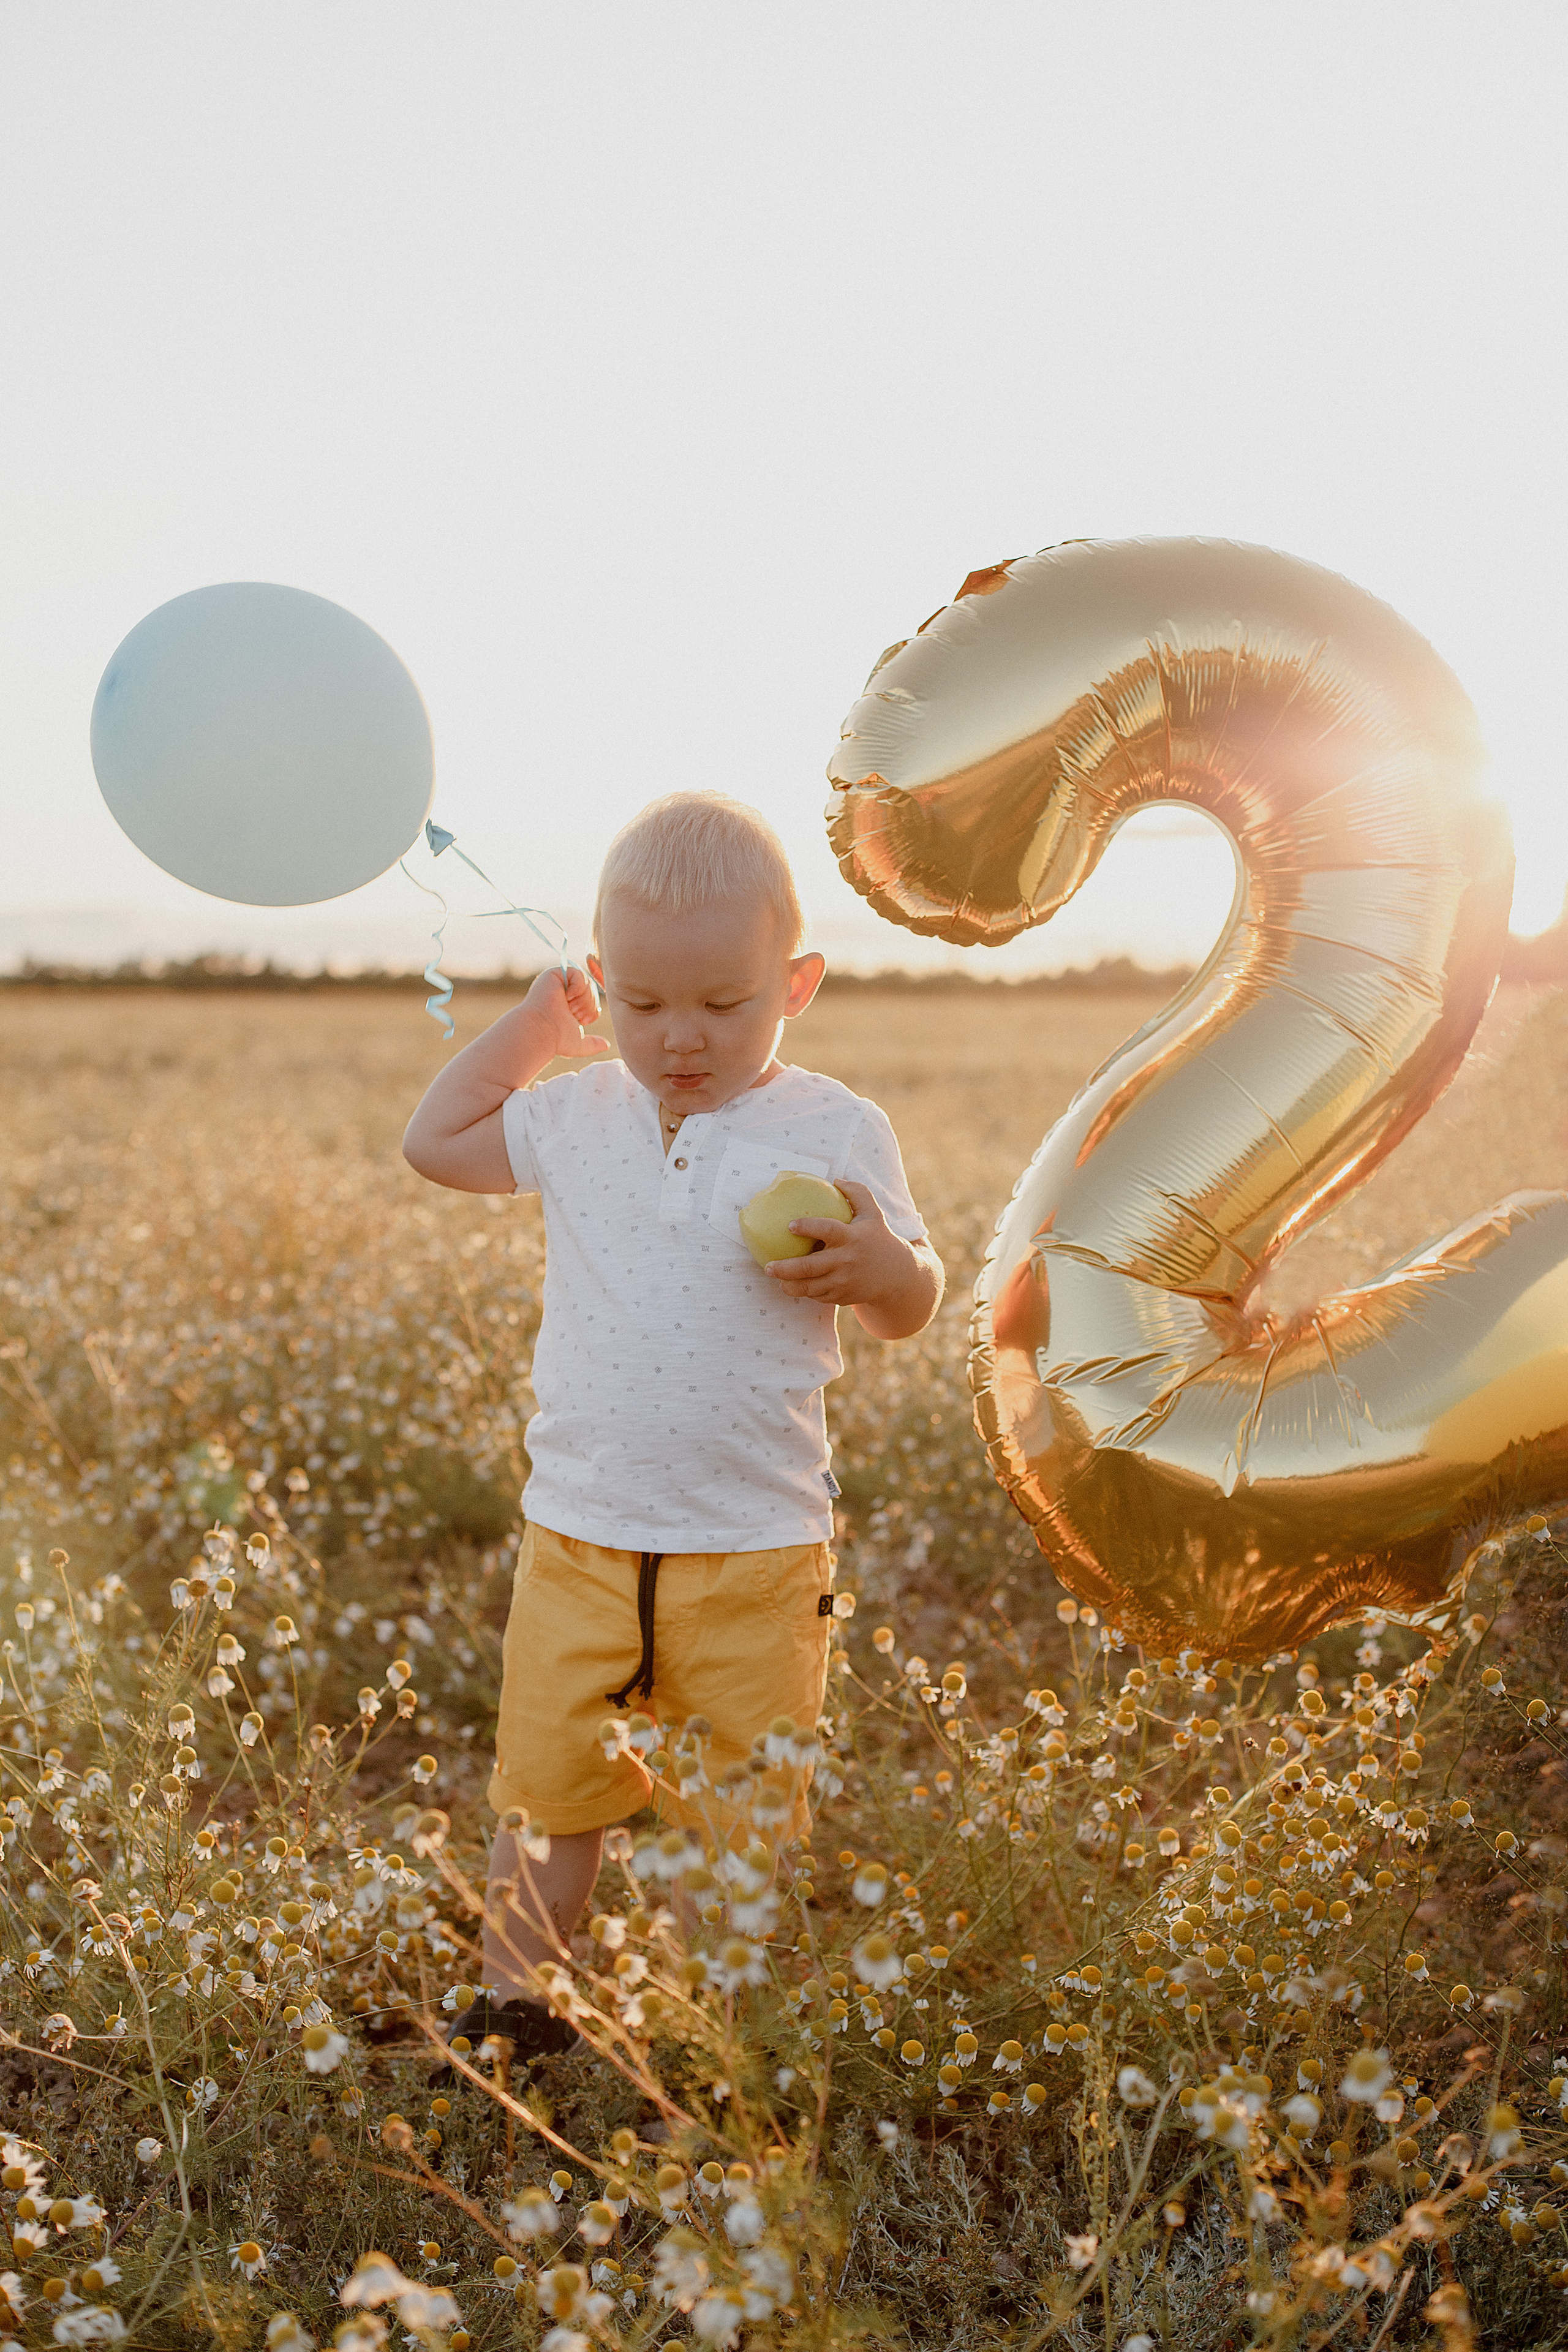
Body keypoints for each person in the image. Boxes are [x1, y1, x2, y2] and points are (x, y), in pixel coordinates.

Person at [402, 791, 943, 2068]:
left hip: (755, 1549)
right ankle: (518, 2009)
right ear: (602, 983)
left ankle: (716, 2037)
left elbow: (912, 1303)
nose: (681, 1036)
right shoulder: (577, 1112)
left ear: (795, 985)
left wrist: (877, 1267)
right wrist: (533, 1033)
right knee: (549, 1795)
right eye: (641, 1004)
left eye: (723, 1003)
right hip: (580, 1535)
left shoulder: (835, 1129)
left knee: (734, 1825)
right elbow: (435, 1144)